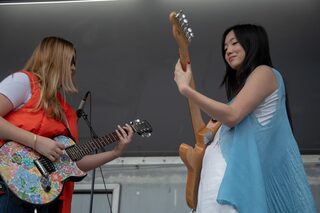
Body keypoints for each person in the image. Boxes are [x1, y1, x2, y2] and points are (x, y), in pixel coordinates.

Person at [173, 24, 316, 213]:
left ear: (253, 43)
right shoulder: (236, 100)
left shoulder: (265, 72)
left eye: (234, 43)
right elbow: (205, 134)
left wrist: (186, 90)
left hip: (231, 182)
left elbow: (232, 116)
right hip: (216, 181)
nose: (228, 51)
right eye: (225, 48)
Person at [0, 36, 133, 213]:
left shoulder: (66, 111)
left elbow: (71, 164)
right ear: (54, 60)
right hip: (8, 190)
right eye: (70, 61)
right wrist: (35, 141)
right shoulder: (23, 81)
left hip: (44, 198)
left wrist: (116, 153)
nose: (73, 68)